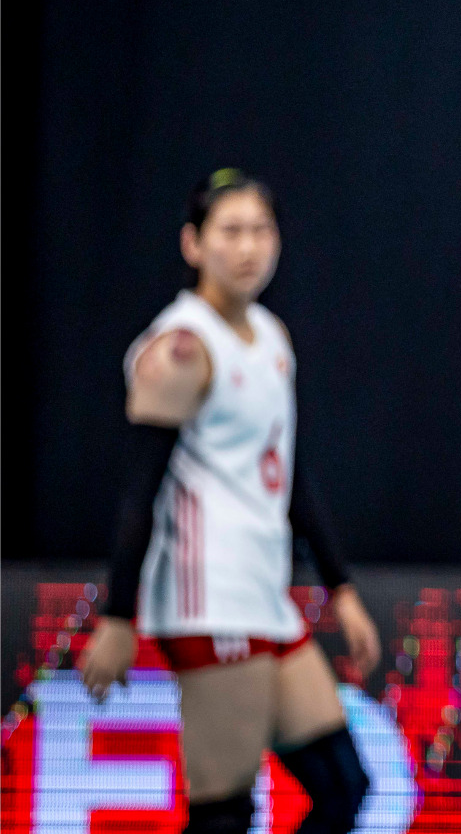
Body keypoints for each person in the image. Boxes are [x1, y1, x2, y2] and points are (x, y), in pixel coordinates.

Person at [77, 169, 382, 834]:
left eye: (261, 230)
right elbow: (140, 490)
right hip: (208, 599)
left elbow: (288, 473)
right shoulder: (181, 349)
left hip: (264, 594)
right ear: (192, 244)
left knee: (344, 787)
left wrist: (342, 587)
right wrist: (119, 616)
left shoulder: (272, 336)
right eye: (231, 231)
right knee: (224, 813)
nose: (248, 247)